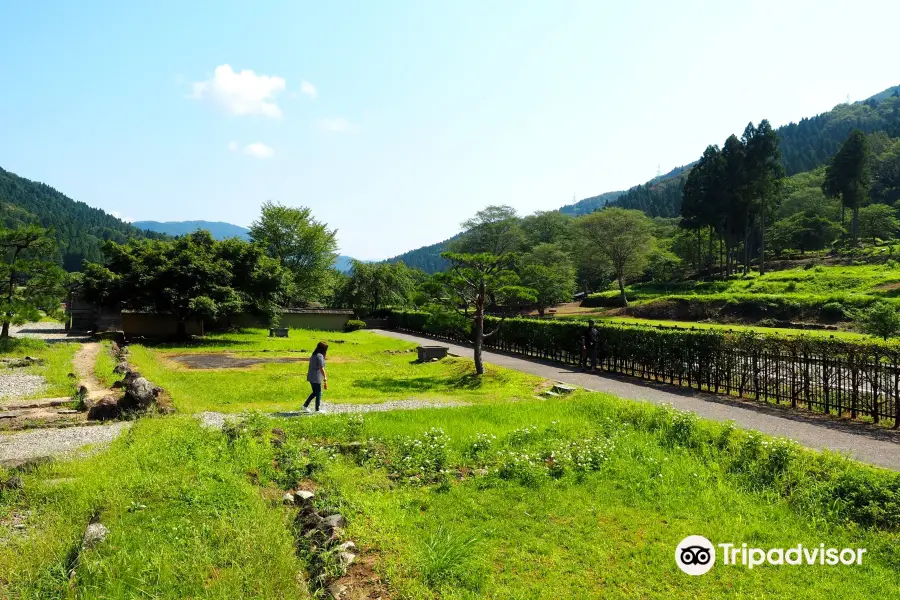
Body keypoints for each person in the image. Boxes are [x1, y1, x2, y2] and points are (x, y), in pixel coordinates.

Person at [303, 341, 329, 413]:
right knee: (319, 393)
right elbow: (321, 367)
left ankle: (305, 405)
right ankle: (317, 410)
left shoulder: (313, 355)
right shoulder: (320, 356)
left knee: (315, 392)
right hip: (316, 377)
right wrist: (325, 377)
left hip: (310, 376)